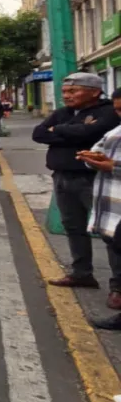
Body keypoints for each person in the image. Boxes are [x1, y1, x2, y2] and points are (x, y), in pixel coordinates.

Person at [34, 72, 121, 301]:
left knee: (110, 232)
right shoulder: (64, 112)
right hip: (62, 176)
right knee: (73, 227)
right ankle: (82, 273)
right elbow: (39, 134)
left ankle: (118, 288)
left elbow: (92, 133)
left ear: (94, 91)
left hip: (94, 179)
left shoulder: (109, 111)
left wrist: (59, 130)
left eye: (73, 91)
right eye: (64, 92)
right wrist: (74, 132)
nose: (67, 96)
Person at [77, 88, 121, 329]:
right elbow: (99, 148)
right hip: (113, 205)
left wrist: (113, 165)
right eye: (117, 110)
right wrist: (92, 157)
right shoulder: (116, 130)